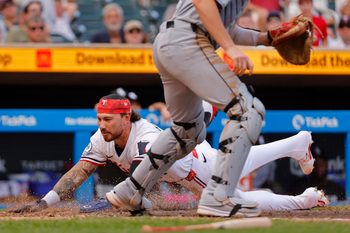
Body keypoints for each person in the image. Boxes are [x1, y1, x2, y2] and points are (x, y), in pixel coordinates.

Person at [9, 94, 328, 214]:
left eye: (108, 119)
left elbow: (135, 184)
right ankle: (297, 143)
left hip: (196, 171)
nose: (102, 125)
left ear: (126, 117)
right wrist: (44, 203)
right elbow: (78, 173)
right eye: (100, 119)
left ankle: (304, 200)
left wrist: (90, 210)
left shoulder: (144, 134)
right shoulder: (102, 137)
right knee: (235, 161)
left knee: (238, 202)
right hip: (194, 157)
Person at [106, 0, 272, 218]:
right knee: (248, 111)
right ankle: (219, 196)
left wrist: (267, 38)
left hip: (173, 42)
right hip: (188, 41)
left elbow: (225, 28)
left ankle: (131, 189)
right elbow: (203, 3)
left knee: (187, 130)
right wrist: (230, 49)